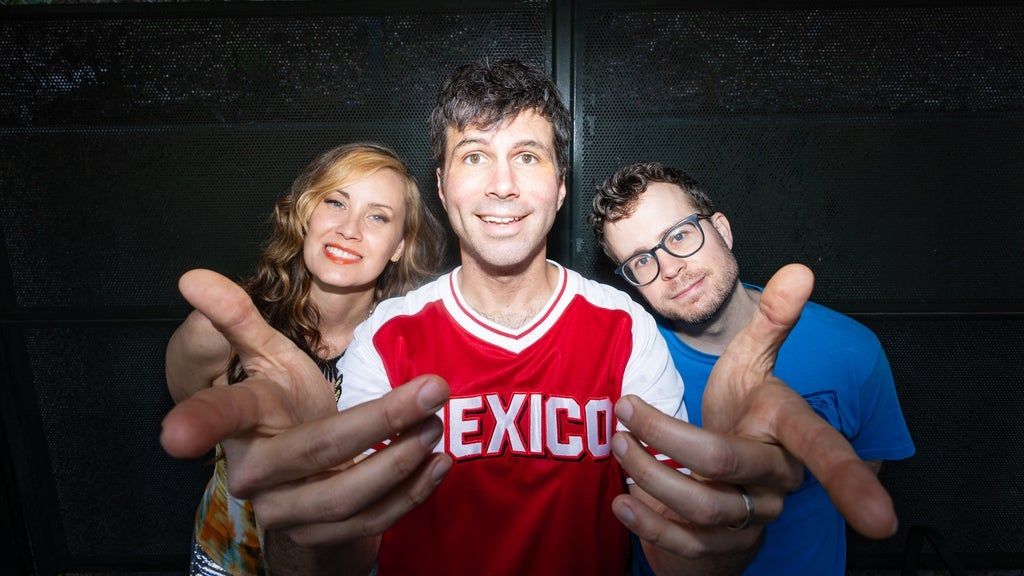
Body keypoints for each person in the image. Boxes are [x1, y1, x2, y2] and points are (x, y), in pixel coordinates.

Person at [161, 60, 901, 576]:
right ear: (443, 188)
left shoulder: (625, 328)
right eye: (474, 157)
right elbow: (344, 557)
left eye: (528, 156)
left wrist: (724, 525)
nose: (503, 186)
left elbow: (676, 556)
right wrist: (300, 526)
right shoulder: (387, 337)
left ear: (559, 188)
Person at [589, 161, 916, 575]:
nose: (669, 268)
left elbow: (865, 469)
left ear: (722, 230)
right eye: (641, 261)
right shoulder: (629, 369)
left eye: (680, 235)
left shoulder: (850, 350)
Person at [164, 142, 444, 575]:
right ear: (306, 214)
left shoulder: (410, 352)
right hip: (228, 557)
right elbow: (191, 416)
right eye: (336, 202)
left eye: (377, 216)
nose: (349, 229)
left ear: (399, 247)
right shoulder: (220, 331)